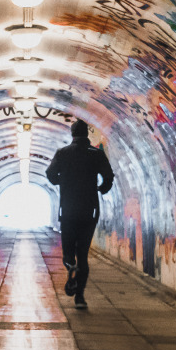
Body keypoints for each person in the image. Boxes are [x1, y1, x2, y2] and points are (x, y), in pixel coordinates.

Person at [45, 119, 114, 309]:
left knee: (68, 251)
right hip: (89, 210)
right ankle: (80, 298)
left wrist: (62, 181)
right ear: (87, 134)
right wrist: (102, 188)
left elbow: (50, 174)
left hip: (67, 209)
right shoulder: (96, 154)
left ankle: (70, 265)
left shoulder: (63, 153)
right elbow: (108, 176)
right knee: (83, 254)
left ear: (72, 134)